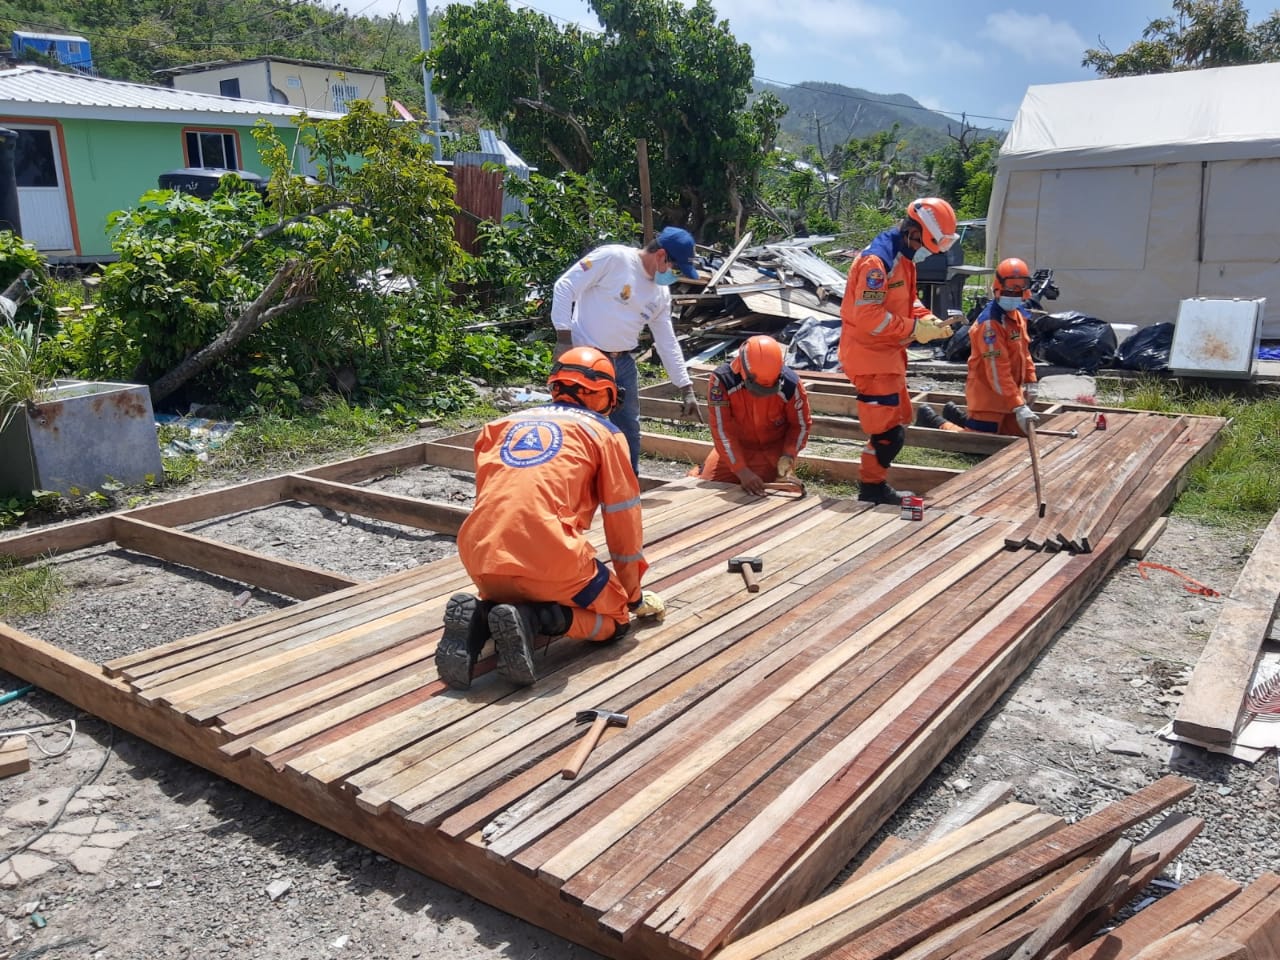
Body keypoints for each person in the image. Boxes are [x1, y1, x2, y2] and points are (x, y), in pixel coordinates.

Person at [436, 347, 664, 690]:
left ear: (555, 385)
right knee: (615, 619)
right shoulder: (605, 434)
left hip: (481, 557)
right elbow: (623, 523)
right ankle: (537, 620)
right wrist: (632, 595)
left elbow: (499, 500)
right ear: (605, 395)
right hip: (552, 559)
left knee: (522, 586)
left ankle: (483, 617)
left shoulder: (499, 426)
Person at [550, 226, 703, 475]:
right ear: (661, 255)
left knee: (628, 429)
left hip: (622, 364)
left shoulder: (661, 293)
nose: (674, 275)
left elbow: (667, 341)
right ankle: (562, 481)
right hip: (584, 359)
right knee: (573, 423)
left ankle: (628, 485)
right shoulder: (613, 258)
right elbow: (565, 286)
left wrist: (686, 388)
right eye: (674, 268)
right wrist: (564, 338)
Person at [838, 197, 957, 504]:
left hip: (886, 355)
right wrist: (914, 329)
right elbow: (868, 316)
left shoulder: (902, 257)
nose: (924, 253)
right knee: (888, 432)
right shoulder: (877, 263)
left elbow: (906, 301)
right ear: (914, 232)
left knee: (897, 421)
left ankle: (873, 486)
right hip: (869, 357)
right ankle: (872, 489)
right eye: (925, 246)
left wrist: (926, 318)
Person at [916, 257, 1040, 437]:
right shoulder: (990, 325)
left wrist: (1031, 380)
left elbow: (1024, 352)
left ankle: (958, 416)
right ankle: (933, 421)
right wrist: (1018, 405)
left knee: (1018, 437)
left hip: (1011, 396)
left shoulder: (1016, 316)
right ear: (998, 289)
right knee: (980, 441)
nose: (1014, 297)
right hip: (989, 399)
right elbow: (997, 371)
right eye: (1011, 292)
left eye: (1018, 293)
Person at [689, 335, 812, 495]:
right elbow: (721, 430)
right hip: (735, 450)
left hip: (773, 453)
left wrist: (787, 458)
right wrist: (741, 471)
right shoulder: (722, 381)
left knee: (784, 495)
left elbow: (800, 425)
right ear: (744, 371)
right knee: (706, 489)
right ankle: (700, 470)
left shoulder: (791, 385)